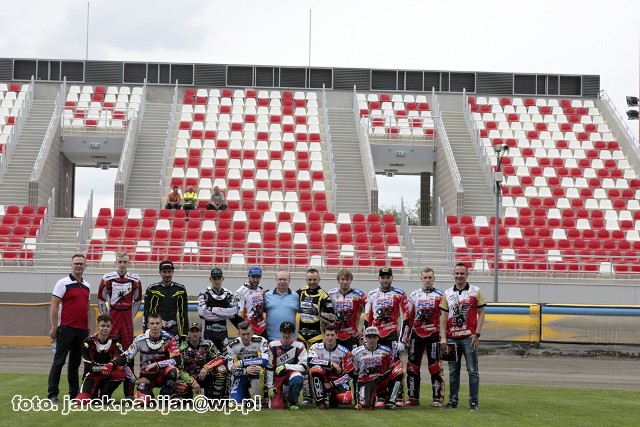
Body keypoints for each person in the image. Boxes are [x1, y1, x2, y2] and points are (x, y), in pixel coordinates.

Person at [439, 262, 486, 412]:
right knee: (453, 372)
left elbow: (482, 313)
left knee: (472, 371)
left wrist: (476, 333)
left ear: (467, 274)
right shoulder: (447, 293)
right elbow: (444, 316)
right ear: (453, 275)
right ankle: (453, 401)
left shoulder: (475, 291)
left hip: (469, 338)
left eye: (462, 273)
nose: (459, 276)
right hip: (451, 338)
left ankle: (474, 402)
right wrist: (443, 338)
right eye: (457, 273)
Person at [97, 252, 142, 398]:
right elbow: (100, 299)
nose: (122, 264)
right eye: (120, 262)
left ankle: (129, 394)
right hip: (113, 321)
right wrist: (106, 319)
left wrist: (131, 316)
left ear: (129, 263)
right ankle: (104, 393)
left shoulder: (135, 279)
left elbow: (138, 301)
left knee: (128, 356)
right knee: (106, 355)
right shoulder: (106, 278)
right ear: (116, 262)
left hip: (127, 322)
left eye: (125, 262)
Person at [47, 254, 91, 403]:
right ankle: (52, 393)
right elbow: (53, 305)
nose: (78, 266)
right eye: (76, 263)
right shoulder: (62, 283)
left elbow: (87, 309)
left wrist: (88, 328)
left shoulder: (87, 285)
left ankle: (74, 394)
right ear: (71, 265)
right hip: (66, 328)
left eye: (81, 264)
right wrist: (54, 327)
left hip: (81, 331)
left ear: (85, 266)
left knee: (75, 363)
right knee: (59, 361)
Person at [402, 267, 445, 407]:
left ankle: (437, 398)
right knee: (412, 367)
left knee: (435, 367)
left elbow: (445, 318)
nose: (427, 280)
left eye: (429, 277)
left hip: (433, 335)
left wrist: (444, 336)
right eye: (425, 277)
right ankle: (413, 398)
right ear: (421, 278)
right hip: (416, 335)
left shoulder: (440, 295)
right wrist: (405, 337)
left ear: (434, 278)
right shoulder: (414, 295)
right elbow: (409, 318)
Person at [114, 313, 182, 402]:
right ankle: (147, 393)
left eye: (157, 323)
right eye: (152, 323)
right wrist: (134, 380)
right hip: (146, 377)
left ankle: (164, 395)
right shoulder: (139, 340)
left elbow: (177, 359)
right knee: (141, 402)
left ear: (161, 325)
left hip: (162, 375)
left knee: (173, 371)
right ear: (148, 325)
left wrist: (156, 364)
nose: (155, 326)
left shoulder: (169, 338)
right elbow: (125, 357)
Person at [364, 267, 408, 406]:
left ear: (392, 278)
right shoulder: (372, 294)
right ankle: (381, 397)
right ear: (379, 279)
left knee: (395, 366)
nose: (385, 280)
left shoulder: (400, 294)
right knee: (377, 365)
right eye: (382, 277)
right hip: (376, 336)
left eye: (387, 277)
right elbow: (367, 317)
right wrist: (366, 337)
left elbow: (405, 319)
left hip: (392, 335)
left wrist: (402, 340)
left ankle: (398, 397)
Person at [296, 268, 335, 404]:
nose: (312, 282)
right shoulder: (300, 292)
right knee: (303, 367)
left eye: (314, 279)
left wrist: (318, 312)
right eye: (309, 279)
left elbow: (332, 318)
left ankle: (324, 394)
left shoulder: (324, 296)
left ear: (319, 280)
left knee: (318, 367)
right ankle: (307, 396)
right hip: (301, 336)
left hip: (317, 337)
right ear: (306, 280)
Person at [74, 314, 128, 403]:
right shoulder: (88, 342)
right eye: (103, 325)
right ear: (97, 326)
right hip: (91, 375)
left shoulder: (115, 341)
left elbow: (123, 358)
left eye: (108, 326)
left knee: (121, 373)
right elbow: (89, 366)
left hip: (108, 374)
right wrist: (105, 367)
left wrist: (111, 364)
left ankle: (105, 396)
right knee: (81, 401)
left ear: (111, 327)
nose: (105, 328)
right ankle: (93, 394)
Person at [351, 326, 405, 410]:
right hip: (366, 381)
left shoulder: (386, 351)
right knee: (365, 407)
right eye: (369, 337)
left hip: (382, 379)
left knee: (399, 371)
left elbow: (391, 367)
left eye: (374, 337)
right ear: (365, 338)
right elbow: (354, 372)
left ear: (378, 338)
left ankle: (390, 402)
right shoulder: (356, 352)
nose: (372, 339)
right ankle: (369, 398)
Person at [174, 322, 228, 399]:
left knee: (221, 369)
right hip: (189, 378)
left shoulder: (208, 344)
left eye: (197, 331)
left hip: (204, 376)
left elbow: (220, 358)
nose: (195, 334)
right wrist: (192, 382)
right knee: (179, 385)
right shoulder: (182, 348)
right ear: (189, 333)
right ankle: (186, 398)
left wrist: (206, 368)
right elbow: (178, 368)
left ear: (201, 333)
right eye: (192, 332)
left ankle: (213, 398)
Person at [307, 324, 354, 409]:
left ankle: (332, 397)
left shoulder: (345, 351)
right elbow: (310, 361)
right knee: (314, 369)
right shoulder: (315, 347)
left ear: (337, 336)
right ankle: (320, 401)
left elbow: (349, 374)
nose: (330, 338)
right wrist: (331, 364)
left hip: (337, 380)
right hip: (322, 378)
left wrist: (332, 384)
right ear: (324, 336)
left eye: (332, 335)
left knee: (346, 399)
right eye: (327, 335)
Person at [266, 321, 308, 410]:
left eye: (289, 332)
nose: (286, 335)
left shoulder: (299, 346)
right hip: (277, 377)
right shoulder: (272, 345)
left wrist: (286, 366)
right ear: (280, 332)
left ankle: (292, 401)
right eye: (284, 332)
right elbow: (269, 367)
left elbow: (303, 367)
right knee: (275, 406)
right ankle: (282, 394)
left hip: (291, 374)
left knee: (297, 377)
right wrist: (270, 386)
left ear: (293, 333)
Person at [143, 260, 189, 341]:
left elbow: (183, 314)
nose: (167, 274)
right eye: (164, 271)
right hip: (157, 330)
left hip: (174, 330)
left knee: (175, 353)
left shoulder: (180, 289)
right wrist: (146, 330)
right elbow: (147, 312)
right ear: (159, 272)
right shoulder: (152, 289)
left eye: (169, 271)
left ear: (173, 272)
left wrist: (184, 334)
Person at [227, 321, 270, 405]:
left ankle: (257, 400)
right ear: (239, 333)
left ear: (252, 332)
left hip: (257, 372)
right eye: (243, 334)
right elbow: (231, 368)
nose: (246, 337)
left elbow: (264, 361)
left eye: (248, 334)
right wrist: (245, 371)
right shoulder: (232, 345)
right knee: (234, 403)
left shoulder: (261, 341)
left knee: (257, 370)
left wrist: (241, 363)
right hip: (241, 374)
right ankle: (245, 395)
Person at [197, 267, 238, 354]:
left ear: (223, 279)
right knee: (207, 360)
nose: (217, 281)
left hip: (223, 336)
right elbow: (202, 314)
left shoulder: (229, 294)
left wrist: (213, 310)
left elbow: (233, 313)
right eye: (214, 278)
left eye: (219, 278)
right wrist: (224, 314)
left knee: (225, 360)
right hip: (207, 335)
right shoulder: (204, 293)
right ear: (210, 279)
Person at [328, 269, 366, 350]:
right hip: (336, 335)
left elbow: (371, 311)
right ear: (338, 280)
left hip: (352, 335)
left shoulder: (359, 295)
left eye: (347, 279)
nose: (345, 282)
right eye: (342, 279)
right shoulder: (331, 294)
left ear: (351, 280)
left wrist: (363, 330)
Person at [232, 266, 267, 339]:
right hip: (250, 329)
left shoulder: (260, 289)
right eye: (253, 277)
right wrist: (245, 330)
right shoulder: (240, 292)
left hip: (262, 328)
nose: (255, 280)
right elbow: (238, 314)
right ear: (248, 277)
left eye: (257, 277)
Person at [264, 271, 300, 342]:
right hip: (271, 338)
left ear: (289, 280)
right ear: (276, 280)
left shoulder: (296, 296)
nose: (282, 281)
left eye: (285, 279)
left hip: (291, 338)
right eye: (280, 279)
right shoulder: (267, 295)